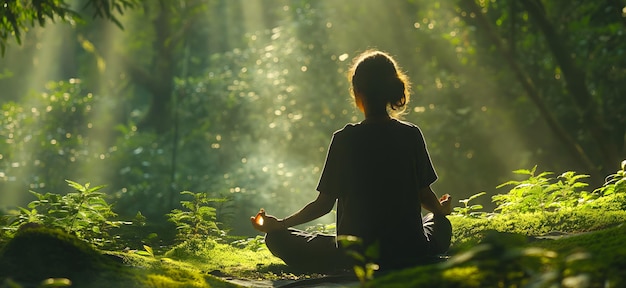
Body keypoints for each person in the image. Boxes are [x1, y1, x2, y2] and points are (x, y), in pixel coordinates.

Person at [250, 49, 453, 273]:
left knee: (276, 239)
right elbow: (425, 196)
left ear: (357, 91)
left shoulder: (344, 140)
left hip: (354, 256)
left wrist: (281, 224)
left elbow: (323, 205)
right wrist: (440, 209)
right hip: (410, 251)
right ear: (391, 89)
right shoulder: (411, 135)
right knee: (440, 222)